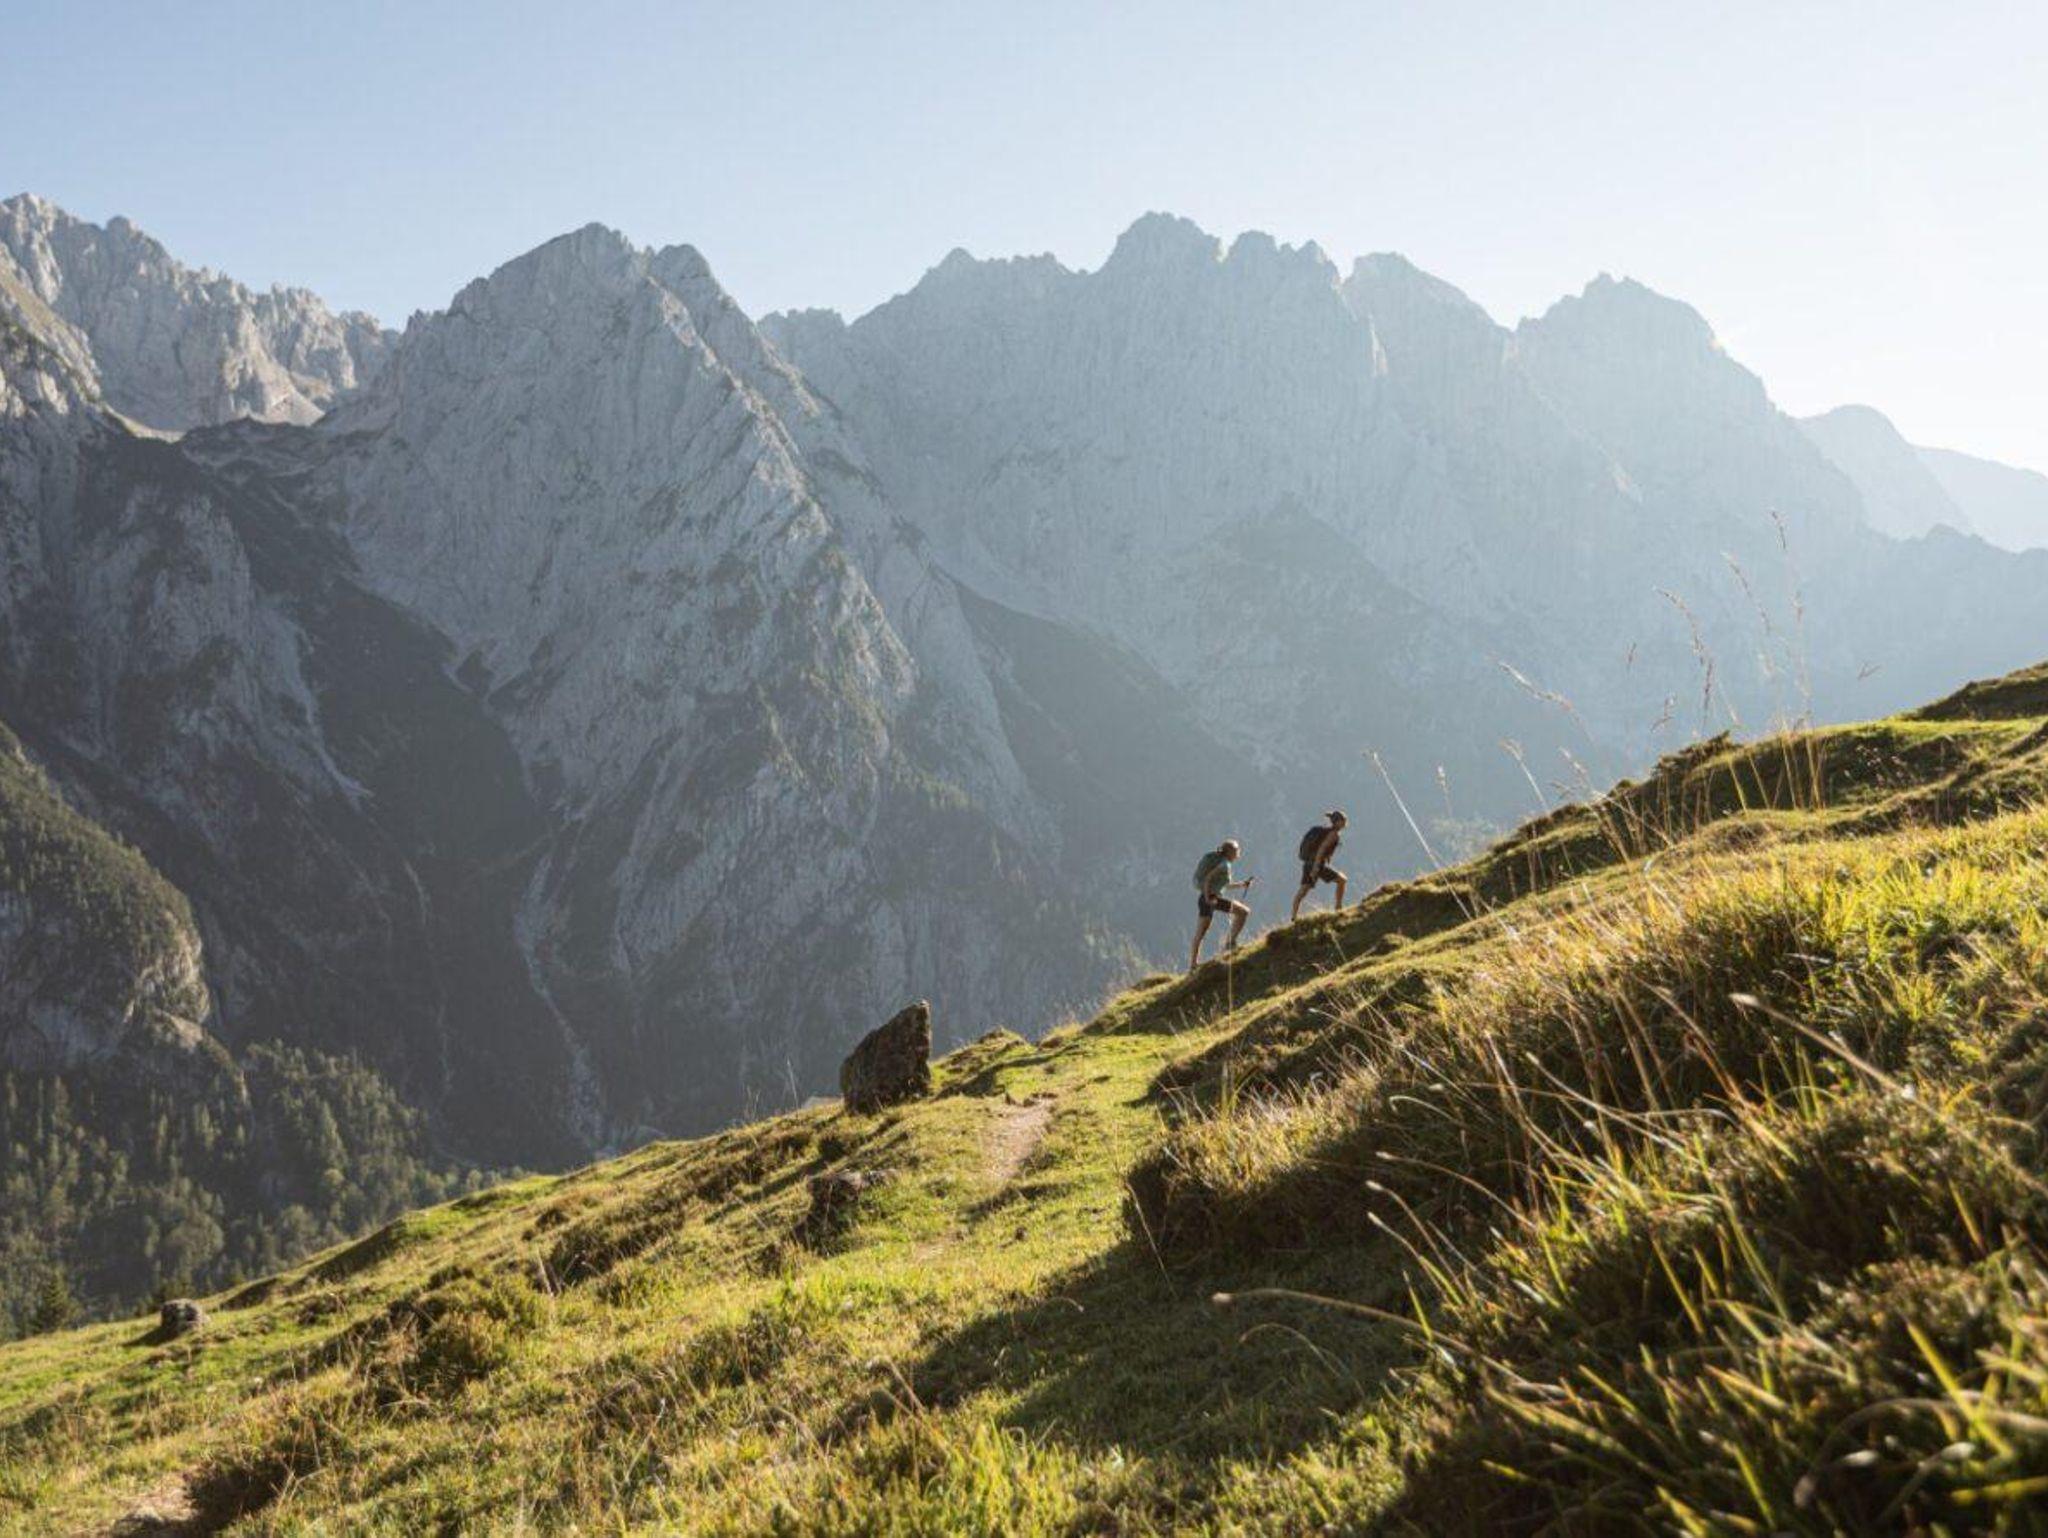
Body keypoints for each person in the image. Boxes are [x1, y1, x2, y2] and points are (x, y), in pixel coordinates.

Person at [1190, 838, 1253, 972]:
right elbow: (1208, 879)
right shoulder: (1224, 864)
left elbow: (1222, 885)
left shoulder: (1224, 863)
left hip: (1213, 898)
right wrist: (1208, 897)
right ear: (1230, 852)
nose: (1238, 853)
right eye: (1237, 850)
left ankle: (1229, 943)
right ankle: (1194, 964)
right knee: (1201, 931)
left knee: (1243, 912)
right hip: (1209, 899)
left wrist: (1242, 884)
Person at [1290, 810, 1348, 921]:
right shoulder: (1333, 834)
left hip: (1308, 863)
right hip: (1317, 865)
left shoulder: (1326, 831)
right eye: (1343, 820)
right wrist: (1316, 867)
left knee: (1303, 890)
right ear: (1337, 822)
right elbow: (1322, 849)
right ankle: (1338, 908)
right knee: (1342, 880)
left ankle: (1293, 917)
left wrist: (1326, 858)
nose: (1345, 823)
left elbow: (1322, 849)